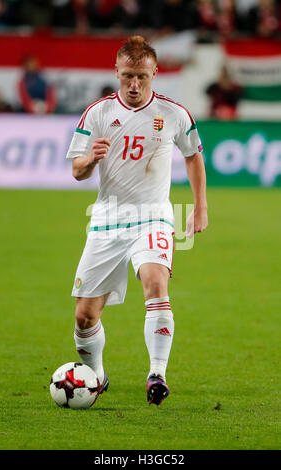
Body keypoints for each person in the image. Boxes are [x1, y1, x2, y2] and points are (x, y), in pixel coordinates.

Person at [65, 36, 208, 406]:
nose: (134, 85)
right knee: (84, 317)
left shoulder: (174, 114)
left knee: (155, 283)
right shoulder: (97, 113)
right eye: (128, 76)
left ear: (154, 73)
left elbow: (193, 155)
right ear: (116, 71)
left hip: (154, 217)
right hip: (107, 220)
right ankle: (96, 375)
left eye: (142, 77)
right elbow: (77, 171)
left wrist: (200, 205)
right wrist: (90, 160)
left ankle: (156, 374)